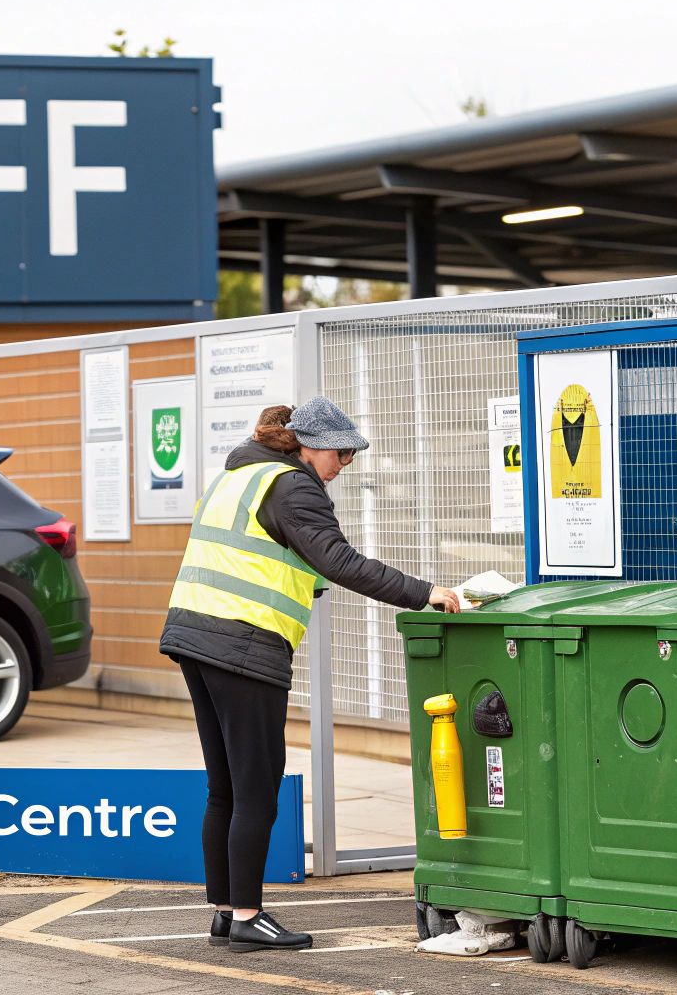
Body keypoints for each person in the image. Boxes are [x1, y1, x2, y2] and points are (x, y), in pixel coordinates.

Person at [160, 397, 462, 952]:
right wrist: (425, 593)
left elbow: (264, 556)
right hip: (243, 644)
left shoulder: (238, 476)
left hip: (194, 637)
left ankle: (227, 912)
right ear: (312, 445)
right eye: (343, 452)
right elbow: (339, 561)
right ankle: (249, 916)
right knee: (257, 788)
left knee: (225, 786)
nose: (346, 463)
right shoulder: (292, 486)